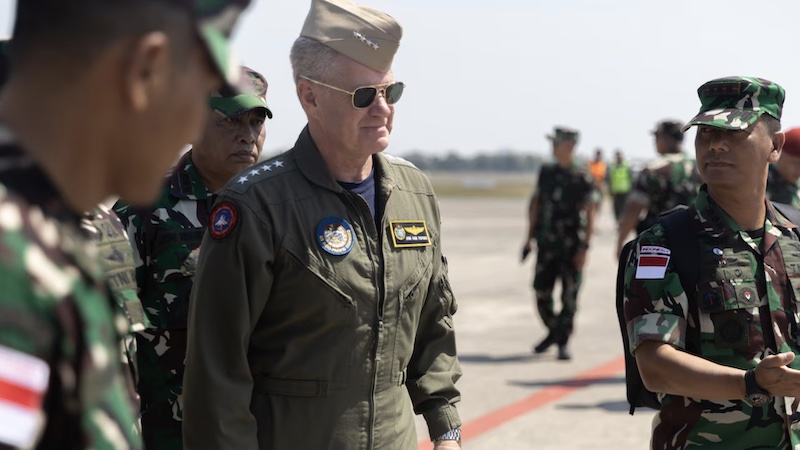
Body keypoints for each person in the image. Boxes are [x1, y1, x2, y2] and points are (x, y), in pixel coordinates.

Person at [182, 1, 462, 449]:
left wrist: (446, 426)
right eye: (364, 95)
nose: (382, 108)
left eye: (391, 92)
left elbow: (434, 322)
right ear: (309, 96)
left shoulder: (416, 196)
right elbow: (217, 376)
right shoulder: (257, 207)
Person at [0, 0, 250, 448]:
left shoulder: (49, 232)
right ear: (144, 71)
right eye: (200, 92)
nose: (193, 124)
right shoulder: (11, 264)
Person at [622, 76, 800, 449]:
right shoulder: (664, 244)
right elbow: (654, 365)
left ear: (776, 146)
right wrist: (750, 384)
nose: (716, 144)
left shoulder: (796, 236)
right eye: (705, 133)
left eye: (735, 133)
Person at [113, 66, 271, 450]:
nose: (247, 135)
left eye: (255, 121)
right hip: (173, 432)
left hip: (262, 427)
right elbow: (115, 334)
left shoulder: (277, 206)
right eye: (230, 121)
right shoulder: (142, 209)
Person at [522, 127, 597, 361]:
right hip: (546, 245)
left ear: (571, 146)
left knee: (569, 297)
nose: (553, 147)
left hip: (573, 246)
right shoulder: (547, 172)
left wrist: (585, 247)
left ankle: (562, 341)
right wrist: (528, 239)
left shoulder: (583, 175)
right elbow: (536, 205)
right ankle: (555, 331)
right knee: (541, 292)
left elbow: (591, 212)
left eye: (558, 143)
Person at [615, 120, 701, 257]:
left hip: (658, 247)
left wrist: (620, 242)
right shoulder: (699, 168)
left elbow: (634, 209)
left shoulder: (655, 169)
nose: (654, 142)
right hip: (695, 243)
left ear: (666, 139)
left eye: (656, 137)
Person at [767, 127, 800, 207]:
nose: (799, 171)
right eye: (796, 163)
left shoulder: (796, 187)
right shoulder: (758, 183)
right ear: (779, 153)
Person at [608, 149, 633, 222]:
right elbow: (610, 179)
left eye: (620, 155)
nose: (619, 157)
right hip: (616, 191)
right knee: (617, 208)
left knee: (625, 207)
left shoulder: (627, 166)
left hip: (626, 191)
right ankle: (618, 221)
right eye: (617, 156)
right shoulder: (613, 167)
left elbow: (632, 178)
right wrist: (610, 189)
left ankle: (623, 221)